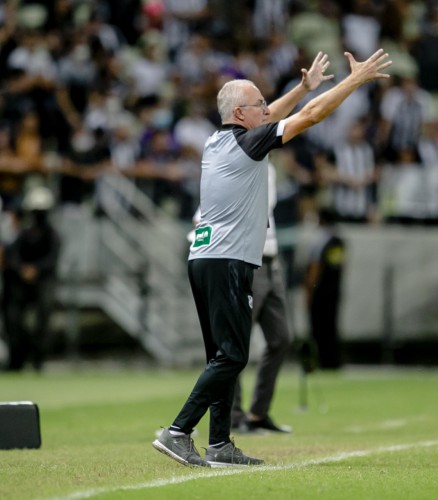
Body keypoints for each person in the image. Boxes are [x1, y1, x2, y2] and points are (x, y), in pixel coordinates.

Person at [152, 48, 392, 468]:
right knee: (234, 356)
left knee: (222, 356)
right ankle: (177, 431)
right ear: (242, 113)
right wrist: (353, 81)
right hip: (226, 259)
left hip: (206, 256)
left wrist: (300, 87)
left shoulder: (218, 139)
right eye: (260, 104)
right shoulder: (249, 143)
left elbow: (274, 113)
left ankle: (220, 445)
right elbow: (312, 116)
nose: (267, 108)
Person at [230, 164, 293, 435]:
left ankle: (257, 413)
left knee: (280, 338)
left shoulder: (266, 165)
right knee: (235, 343)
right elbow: (203, 215)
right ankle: (232, 415)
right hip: (248, 260)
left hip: (271, 261)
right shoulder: (234, 164)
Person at [2, 185, 60, 372]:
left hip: (43, 280)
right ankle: (17, 359)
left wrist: (36, 270)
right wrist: (22, 270)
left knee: (44, 315)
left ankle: (38, 360)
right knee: (13, 317)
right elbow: (14, 256)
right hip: (20, 282)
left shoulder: (52, 235)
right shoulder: (23, 234)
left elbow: (52, 259)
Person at [305, 208, 346, 370]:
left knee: (318, 328)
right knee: (332, 326)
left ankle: (320, 361)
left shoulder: (320, 239)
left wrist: (309, 291)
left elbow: (315, 266)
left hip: (320, 293)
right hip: (334, 291)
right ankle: (333, 361)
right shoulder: (339, 241)